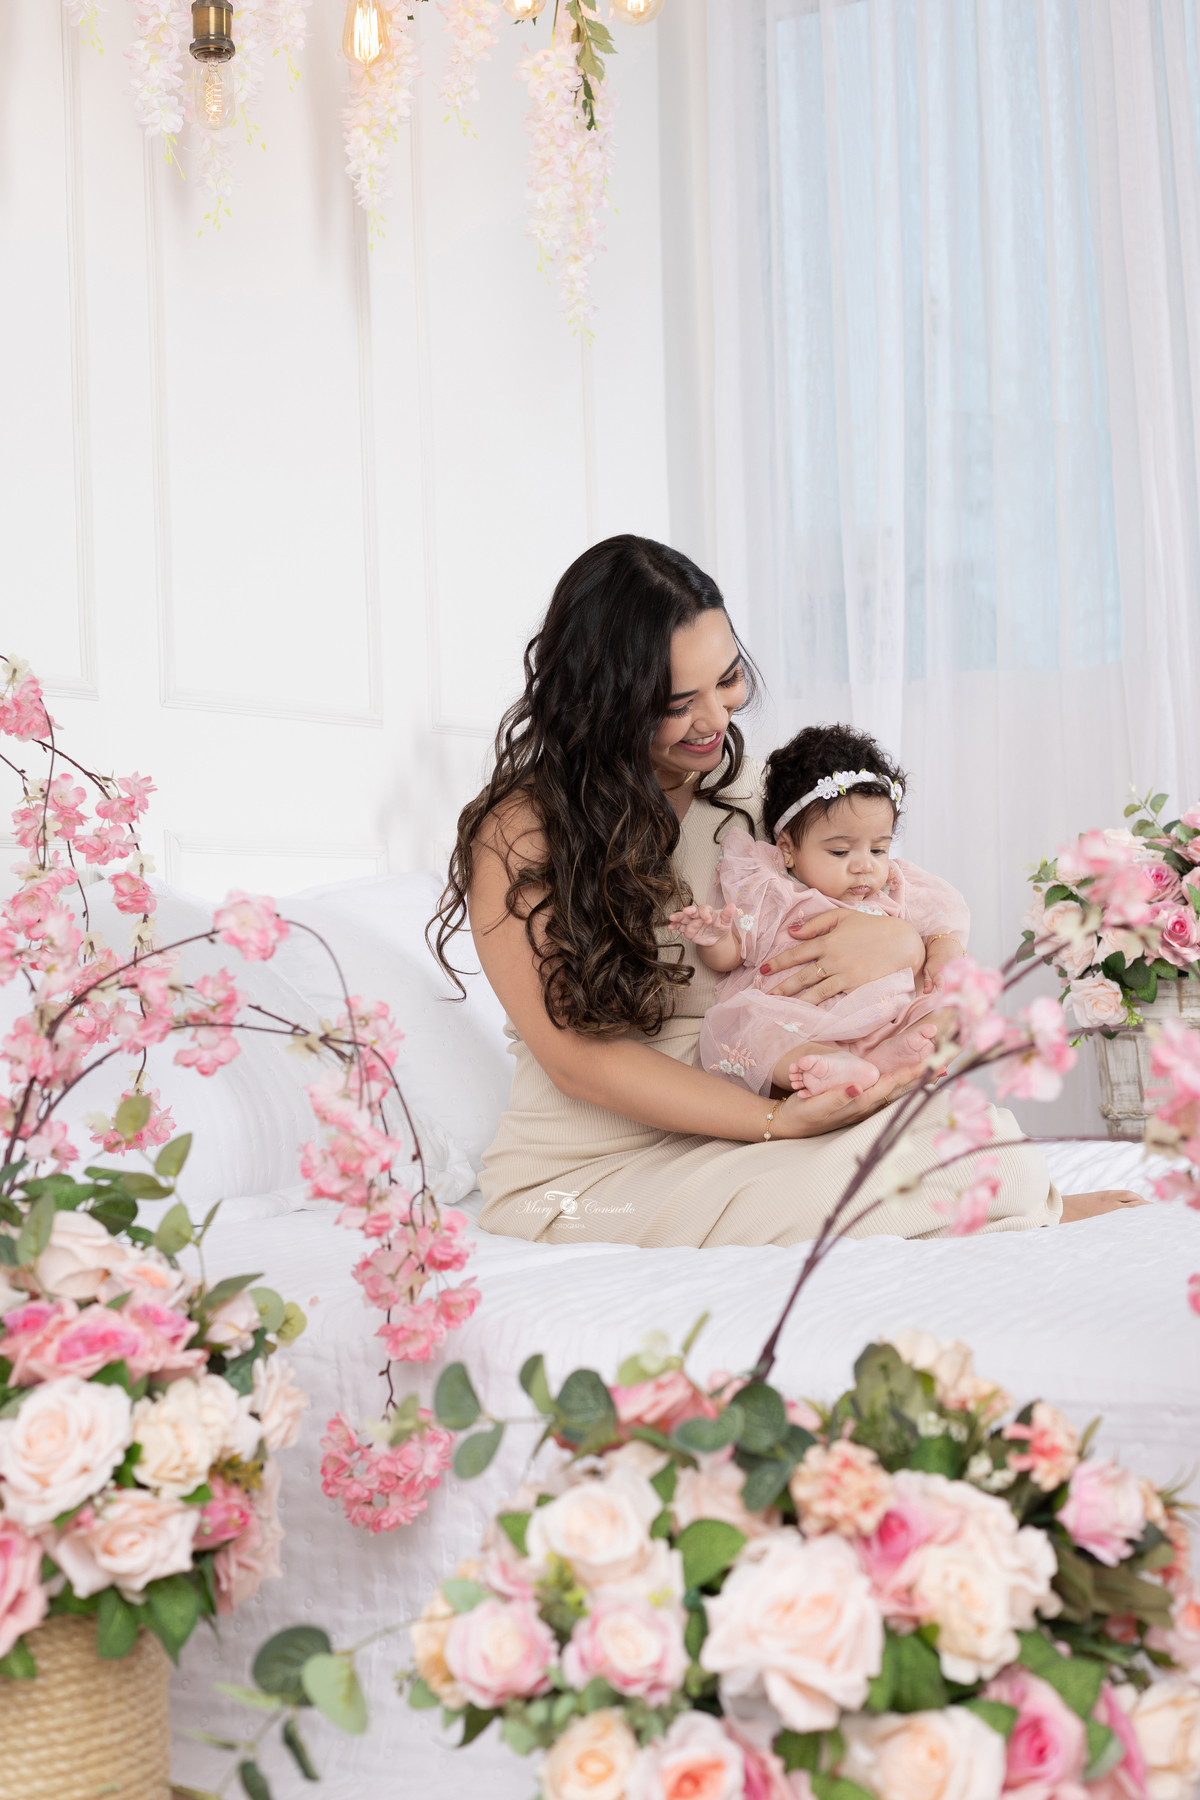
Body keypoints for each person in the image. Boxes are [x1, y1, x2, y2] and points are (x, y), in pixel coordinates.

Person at [431, 535, 1141, 1246]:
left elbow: (886, 891)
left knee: (978, 1141)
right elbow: (577, 1062)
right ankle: (1020, 1204)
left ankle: (1013, 1200)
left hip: (751, 1128)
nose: (716, 719)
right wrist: (776, 1123)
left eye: (729, 678)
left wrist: (906, 941)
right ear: (605, 701)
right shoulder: (521, 833)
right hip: (590, 1179)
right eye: (678, 703)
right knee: (969, 1174)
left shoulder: (758, 795)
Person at [681, 723, 963, 1100]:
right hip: (797, 1022)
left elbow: (941, 920)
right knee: (751, 1029)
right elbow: (734, 953)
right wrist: (715, 937)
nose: (865, 866)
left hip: (886, 1018)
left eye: (878, 849)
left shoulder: (895, 885)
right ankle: (830, 1067)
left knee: (956, 1008)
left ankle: (890, 1056)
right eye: (840, 852)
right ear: (788, 849)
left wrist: (943, 954)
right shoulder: (773, 889)